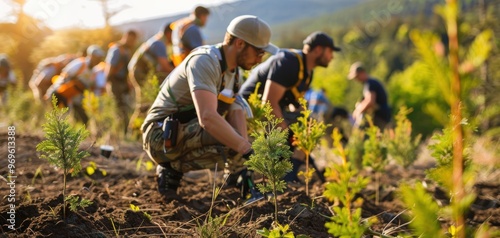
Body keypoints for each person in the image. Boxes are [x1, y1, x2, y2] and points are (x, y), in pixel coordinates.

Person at [141, 15, 278, 198]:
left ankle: (239, 180)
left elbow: (236, 112)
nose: (260, 59)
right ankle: (171, 168)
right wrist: (245, 149)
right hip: (159, 136)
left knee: (239, 134)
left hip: (184, 131)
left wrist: (246, 161)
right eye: (258, 52)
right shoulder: (205, 61)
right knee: (228, 137)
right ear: (239, 44)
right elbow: (207, 118)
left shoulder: (235, 73)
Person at [239, 31, 341, 183]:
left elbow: (297, 106)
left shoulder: (307, 73)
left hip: (271, 109)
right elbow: (268, 102)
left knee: (307, 127)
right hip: (249, 110)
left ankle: (290, 175)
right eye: (330, 51)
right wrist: (287, 132)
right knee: (292, 133)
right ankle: (278, 176)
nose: (332, 56)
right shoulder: (288, 62)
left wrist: (306, 131)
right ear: (318, 49)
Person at [128, 24, 175, 135]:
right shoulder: (159, 44)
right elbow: (164, 66)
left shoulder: (156, 41)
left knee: (145, 104)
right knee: (144, 105)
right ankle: (134, 133)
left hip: (141, 74)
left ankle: (136, 132)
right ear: (169, 33)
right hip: (142, 75)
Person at [45, 45, 105, 124]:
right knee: (60, 118)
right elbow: (65, 74)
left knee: (82, 120)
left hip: (75, 98)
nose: (99, 60)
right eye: (98, 58)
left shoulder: (93, 70)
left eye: (100, 58)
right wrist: (71, 86)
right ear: (92, 56)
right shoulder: (81, 63)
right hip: (61, 93)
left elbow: (88, 85)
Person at [105, 30, 138, 133]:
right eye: (131, 39)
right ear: (126, 36)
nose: (132, 42)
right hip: (115, 82)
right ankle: (118, 132)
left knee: (125, 108)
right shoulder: (116, 49)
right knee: (119, 108)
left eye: (134, 40)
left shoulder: (127, 50)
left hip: (123, 83)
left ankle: (124, 132)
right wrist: (109, 82)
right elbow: (110, 67)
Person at [348, 61, 391, 130]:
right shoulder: (369, 83)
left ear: (362, 72)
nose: (356, 79)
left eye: (357, 76)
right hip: (381, 117)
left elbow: (370, 101)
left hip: (381, 117)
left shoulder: (370, 83)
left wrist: (358, 111)